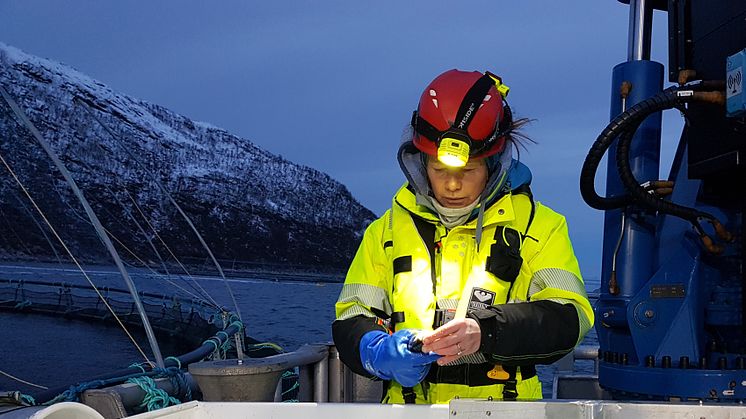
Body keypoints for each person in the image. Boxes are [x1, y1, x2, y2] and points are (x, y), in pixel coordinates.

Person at [332, 69, 594, 404]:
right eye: (439, 170)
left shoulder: (540, 227)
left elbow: (571, 317)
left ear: (494, 163)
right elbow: (350, 316)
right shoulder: (385, 231)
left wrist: (487, 332)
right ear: (419, 162)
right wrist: (378, 352)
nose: (452, 185)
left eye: (468, 171)